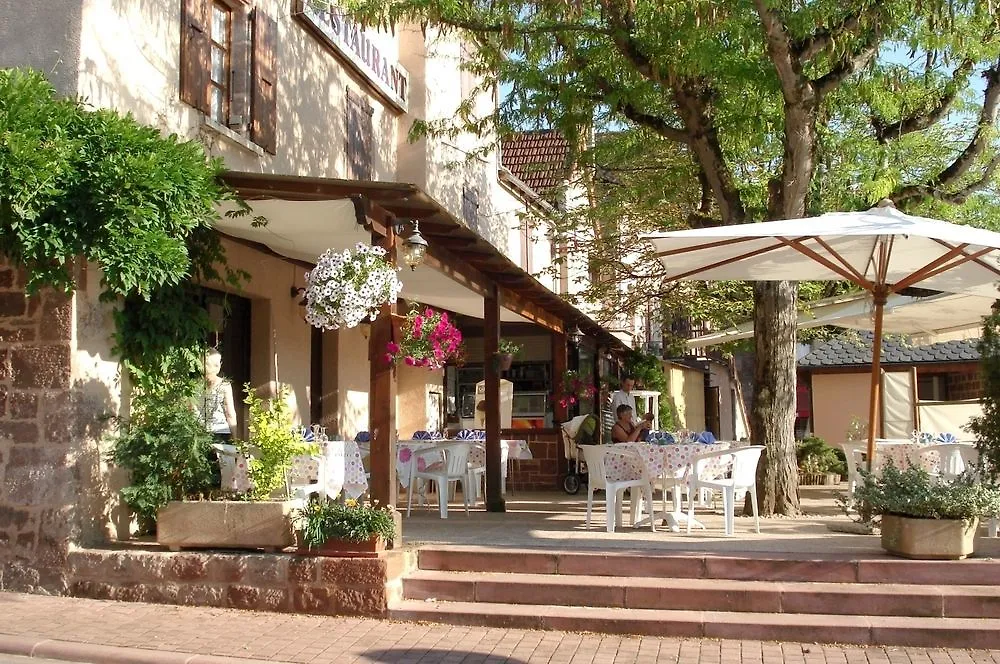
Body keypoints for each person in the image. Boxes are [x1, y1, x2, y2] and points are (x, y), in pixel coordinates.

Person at [196, 348, 238, 442]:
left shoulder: (192, 385)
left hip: (198, 432)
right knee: (222, 457)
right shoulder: (224, 385)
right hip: (221, 431)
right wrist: (235, 439)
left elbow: (191, 410)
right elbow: (230, 413)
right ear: (217, 365)